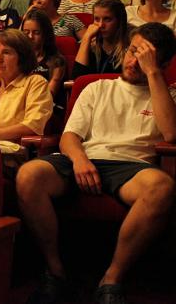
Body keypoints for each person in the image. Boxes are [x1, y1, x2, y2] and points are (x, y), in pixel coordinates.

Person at [16, 23, 176, 304]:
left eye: (144, 56)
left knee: (162, 188)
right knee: (28, 174)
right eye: (133, 51)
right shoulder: (97, 87)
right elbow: (69, 137)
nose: (133, 61)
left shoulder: (168, 95)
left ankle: (111, 279)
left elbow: (171, 134)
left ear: (161, 63)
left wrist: (152, 73)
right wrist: (80, 161)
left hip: (132, 166)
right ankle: (56, 272)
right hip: (85, 156)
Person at [73, 0, 129, 79]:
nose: (101, 25)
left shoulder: (130, 48)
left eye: (107, 19)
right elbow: (77, 79)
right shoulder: (90, 46)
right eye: (97, 19)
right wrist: (86, 38)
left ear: (120, 21)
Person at [21, 9, 66, 99]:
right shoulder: (18, 58)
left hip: (43, 103)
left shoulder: (57, 61)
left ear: (45, 34)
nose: (30, 36)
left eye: (36, 33)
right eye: (26, 32)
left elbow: (49, 95)